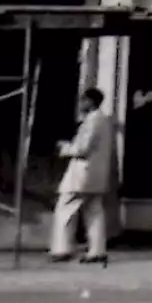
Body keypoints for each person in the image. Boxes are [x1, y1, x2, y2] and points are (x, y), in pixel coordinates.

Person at [49, 88, 115, 265]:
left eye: (83, 100)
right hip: (97, 175)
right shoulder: (105, 121)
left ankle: (62, 249)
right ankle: (97, 251)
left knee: (65, 208)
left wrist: (65, 148)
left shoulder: (92, 121)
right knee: (94, 211)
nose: (80, 104)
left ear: (91, 101)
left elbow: (83, 148)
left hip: (82, 174)